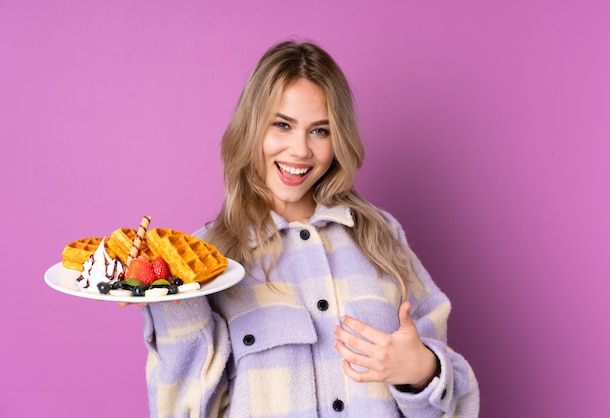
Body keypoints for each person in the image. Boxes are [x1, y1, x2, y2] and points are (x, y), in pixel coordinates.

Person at [140, 40, 479, 417]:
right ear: (252, 127)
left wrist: (421, 371)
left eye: (320, 131)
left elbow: (456, 402)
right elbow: (183, 408)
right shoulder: (208, 260)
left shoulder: (381, 237)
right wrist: (169, 302)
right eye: (282, 125)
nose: (300, 150)